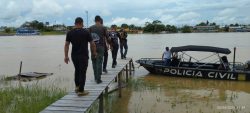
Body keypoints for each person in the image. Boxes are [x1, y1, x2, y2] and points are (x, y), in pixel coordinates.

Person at [64, 17, 97, 96]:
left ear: (75, 23)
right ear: (81, 23)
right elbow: (92, 44)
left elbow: (66, 45)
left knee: (77, 70)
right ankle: (81, 91)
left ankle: (77, 86)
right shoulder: (86, 32)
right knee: (82, 72)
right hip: (83, 55)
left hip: (74, 56)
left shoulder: (70, 33)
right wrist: (94, 53)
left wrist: (66, 56)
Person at [89, 15, 107, 84]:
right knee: (99, 62)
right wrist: (110, 45)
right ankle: (98, 79)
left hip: (92, 47)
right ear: (100, 20)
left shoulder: (90, 28)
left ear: (95, 20)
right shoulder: (103, 28)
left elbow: (88, 38)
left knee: (94, 62)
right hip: (100, 47)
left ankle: (95, 77)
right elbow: (107, 37)